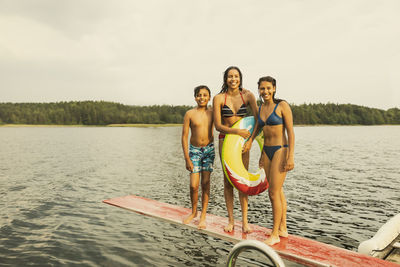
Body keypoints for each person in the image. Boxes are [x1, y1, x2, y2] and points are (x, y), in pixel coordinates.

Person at [244, 76, 295, 245]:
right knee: (278, 191)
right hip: (266, 151)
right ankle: (283, 228)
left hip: (280, 150)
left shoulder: (282, 106)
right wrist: (253, 145)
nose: (265, 91)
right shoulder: (260, 108)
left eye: (268, 88)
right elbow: (259, 129)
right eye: (262, 89)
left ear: (274, 89)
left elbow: (291, 132)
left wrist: (291, 156)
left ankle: (274, 234)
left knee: (273, 192)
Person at [213, 66, 258, 233]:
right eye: (230, 76)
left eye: (236, 76)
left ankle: (245, 221)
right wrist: (236, 131)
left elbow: (258, 119)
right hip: (225, 141)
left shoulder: (247, 95)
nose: (233, 79)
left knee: (242, 180)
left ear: (240, 78)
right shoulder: (218, 98)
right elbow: (218, 126)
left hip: (243, 142)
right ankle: (231, 220)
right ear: (225, 79)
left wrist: (250, 140)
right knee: (228, 181)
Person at [181, 85, 215, 229]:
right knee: (194, 185)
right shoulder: (189, 114)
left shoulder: (213, 112)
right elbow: (184, 137)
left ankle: (203, 215)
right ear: (195, 97)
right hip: (194, 151)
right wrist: (187, 158)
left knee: (205, 183)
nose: (202, 98)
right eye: (199, 95)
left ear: (209, 97)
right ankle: (194, 212)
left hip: (209, 150)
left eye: (205, 95)